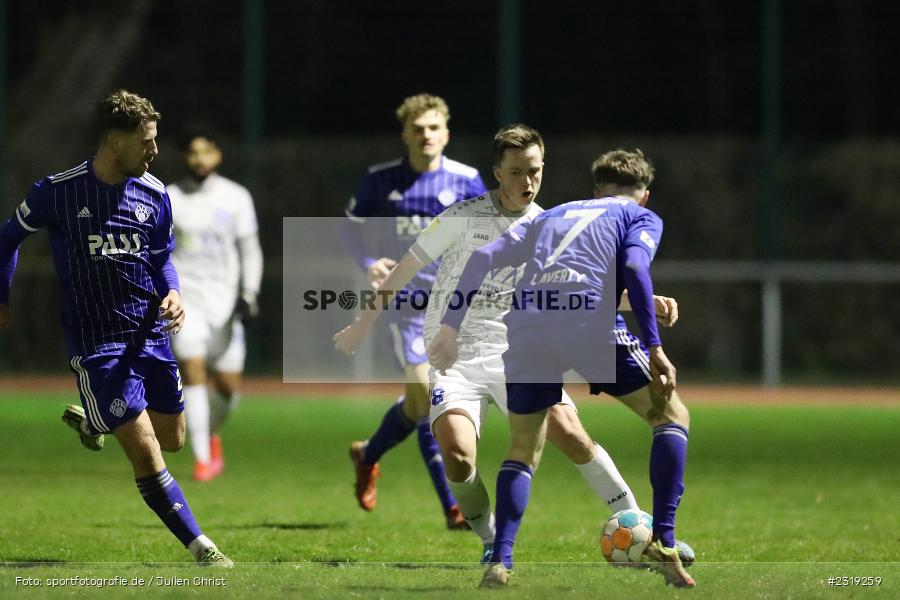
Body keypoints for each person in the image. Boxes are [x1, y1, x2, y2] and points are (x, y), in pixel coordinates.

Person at [335, 127, 681, 564]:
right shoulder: (462, 217)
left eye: (534, 171)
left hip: (516, 348)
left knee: (571, 433)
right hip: (454, 353)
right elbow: (402, 270)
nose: (527, 181)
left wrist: (643, 301)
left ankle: (639, 526)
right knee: (457, 455)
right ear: (497, 172)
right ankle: (490, 540)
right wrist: (362, 323)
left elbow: (580, 289)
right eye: (516, 172)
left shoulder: (549, 224)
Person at [429, 149, 695, 588]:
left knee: (523, 448)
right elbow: (633, 265)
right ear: (644, 195)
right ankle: (664, 543)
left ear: (596, 190)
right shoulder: (640, 216)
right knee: (671, 415)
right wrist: (655, 345)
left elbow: (481, 259)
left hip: (527, 327)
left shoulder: (554, 214)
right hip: (588, 322)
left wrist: (449, 328)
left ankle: (501, 561)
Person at [0, 90, 233, 567]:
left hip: (150, 335)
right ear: (114, 141)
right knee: (147, 452)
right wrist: (1, 298)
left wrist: (173, 292)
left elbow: (161, 259)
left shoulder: (155, 193)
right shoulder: (58, 191)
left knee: (172, 438)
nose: (155, 151)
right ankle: (202, 547)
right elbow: (7, 239)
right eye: (146, 142)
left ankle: (97, 419)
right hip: (97, 344)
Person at [340, 93, 487, 528]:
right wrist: (369, 262)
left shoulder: (467, 180)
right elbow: (349, 229)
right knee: (428, 397)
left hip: (454, 309)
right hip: (405, 307)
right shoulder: (381, 180)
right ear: (405, 134)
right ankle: (454, 506)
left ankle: (368, 454)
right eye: (418, 128)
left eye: (433, 127)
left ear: (446, 133)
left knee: (419, 402)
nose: (426, 135)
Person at [167, 127, 263, 482]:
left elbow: (250, 250)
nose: (200, 159)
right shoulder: (169, 197)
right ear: (184, 157)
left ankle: (209, 433)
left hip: (224, 306)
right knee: (192, 367)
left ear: (218, 155)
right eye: (193, 152)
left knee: (227, 388)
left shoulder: (236, 197)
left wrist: (249, 293)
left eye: (206, 151)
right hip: (186, 301)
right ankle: (202, 459)